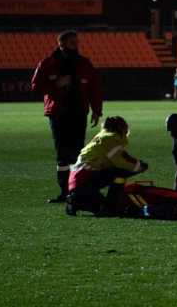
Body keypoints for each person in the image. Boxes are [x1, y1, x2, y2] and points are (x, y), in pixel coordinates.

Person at [31, 30, 102, 203]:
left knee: (77, 152)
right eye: (72, 42)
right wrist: (56, 84)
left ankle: (76, 190)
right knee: (63, 154)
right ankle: (65, 192)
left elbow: (94, 87)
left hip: (78, 112)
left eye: (77, 42)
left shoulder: (84, 63)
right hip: (59, 113)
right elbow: (35, 86)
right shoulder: (48, 63)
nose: (76, 45)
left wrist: (97, 110)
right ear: (61, 44)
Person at [65, 116, 149, 216]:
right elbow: (120, 162)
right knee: (119, 173)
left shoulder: (104, 137)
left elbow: (122, 158)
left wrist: (137, 164)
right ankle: (83, 201)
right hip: (84, 181)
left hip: (79, 180)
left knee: (102, 206)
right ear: (119, 128)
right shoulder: (111, 139)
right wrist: (139, 167)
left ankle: (77, 200)